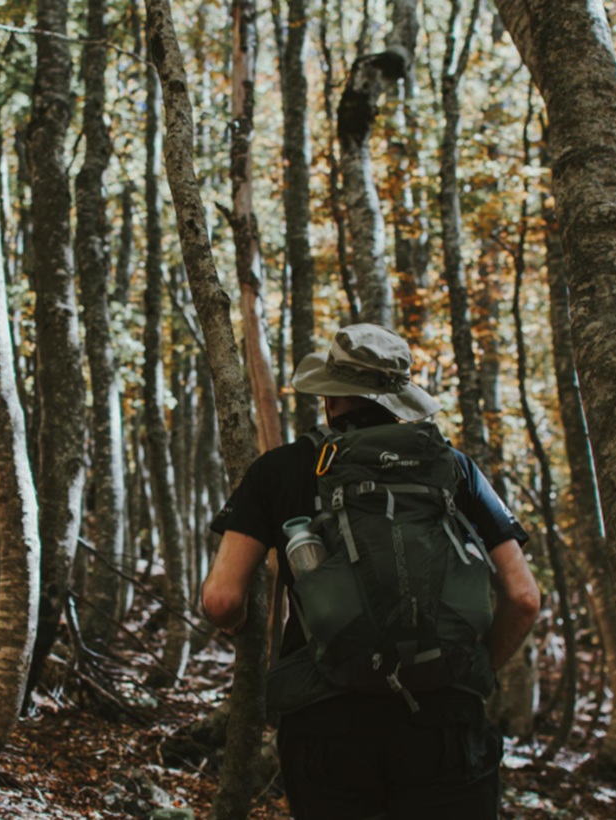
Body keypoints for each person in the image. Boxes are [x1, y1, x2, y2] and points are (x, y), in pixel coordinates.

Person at [202, 324, 540, 820]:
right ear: (400, 397)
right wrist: (472, 672)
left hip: (326, 722)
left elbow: (221, 599)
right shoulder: (455, 468)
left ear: (330, 398)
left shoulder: (281, 470)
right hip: (445, 720)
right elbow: (525, 597)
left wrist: (234, 622)